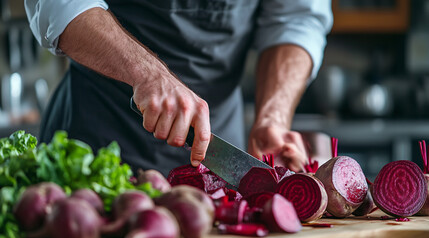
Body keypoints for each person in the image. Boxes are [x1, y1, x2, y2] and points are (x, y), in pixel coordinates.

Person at [24, 0, 333, 176]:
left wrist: (273, 118)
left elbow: (298, 17)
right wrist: (146, 73)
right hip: (96, 138)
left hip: (222, 155)